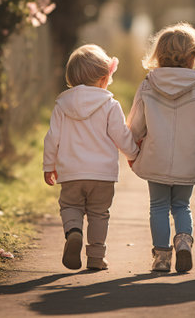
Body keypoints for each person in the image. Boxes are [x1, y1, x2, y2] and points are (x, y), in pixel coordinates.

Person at [127, 23, 195, 273]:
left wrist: (132, 150)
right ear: (192, 57)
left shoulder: (147, 85)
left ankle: (162, 257)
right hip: (188, 160)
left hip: (155, 158)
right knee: (181, 206)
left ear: (159, 55)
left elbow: (135, 127)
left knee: (158, 206)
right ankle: (184, 240)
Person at [43, 44, 139, 271]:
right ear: (105, 78)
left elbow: (52, 138)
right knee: (99, 214)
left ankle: (74, 232)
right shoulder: (110, 104)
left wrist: (49, 165)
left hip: (71, 173)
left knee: (70, 206)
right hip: (102, 175)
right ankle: (96, 257)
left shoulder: (62, 105)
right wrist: (133, 154)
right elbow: (121, 135)